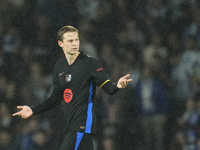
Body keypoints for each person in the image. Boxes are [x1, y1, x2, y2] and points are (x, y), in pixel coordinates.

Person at [12, 25, 132, 150]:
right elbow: (55, 98)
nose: (74, 43)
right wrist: (33, 110)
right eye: (70, 40)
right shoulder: (59, 67)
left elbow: (109, 88)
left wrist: (118, 85)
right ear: (61, 43)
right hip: (69, 125)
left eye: (76, 40)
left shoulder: (90, 64)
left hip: (82, 124)